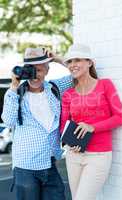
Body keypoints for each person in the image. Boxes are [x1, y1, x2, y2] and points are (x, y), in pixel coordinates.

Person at [2, 47, 73, 200]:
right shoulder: (16, 93)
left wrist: (57, 59)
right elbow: (8, 121)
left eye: (39, 70)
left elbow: (79, 75)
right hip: (25, 168)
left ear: (47, 70)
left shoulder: (55, 88)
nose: (34, 76)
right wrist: (13, 86)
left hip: (50, 163)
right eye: (30, 70)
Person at [60, 43, 122, 200]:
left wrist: (92, 127)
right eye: (69, 61)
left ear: (89, 62)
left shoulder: (105, 85)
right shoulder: (68, 94)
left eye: (77, 60)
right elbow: (64, 125)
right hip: (74, 155)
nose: (73, 65)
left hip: (99, 155)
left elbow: (119, 118)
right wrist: (69, 142)